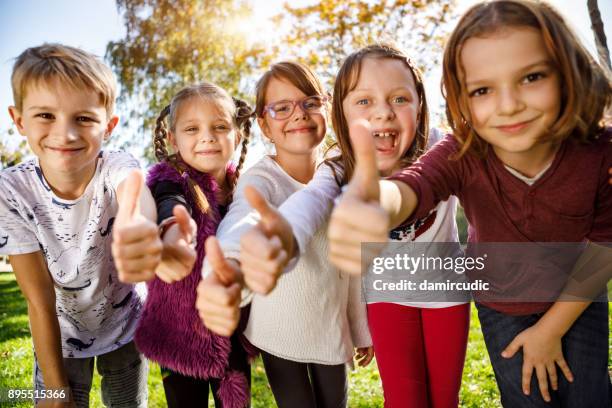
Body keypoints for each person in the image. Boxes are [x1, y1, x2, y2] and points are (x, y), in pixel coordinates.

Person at [328, 1, 612, 407]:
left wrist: (551, 330)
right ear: (462, 98)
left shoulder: (598, 152)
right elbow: (416, 185)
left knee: (589, 397)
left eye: (531, 77)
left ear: (569, 72)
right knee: (526, 398)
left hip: (577, 296)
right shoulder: (463, 151)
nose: (508, 104)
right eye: (482, 89)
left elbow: (604, 242)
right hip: (503, 304)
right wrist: (378, 202)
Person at [197, 61, 373, 408]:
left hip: (330, 329)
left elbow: (350, 266)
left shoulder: (342, 172)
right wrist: (228, 268)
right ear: (264, 124)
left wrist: (359, 327)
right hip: (278, 332)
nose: (299, 115)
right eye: (282, 108)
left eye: (310, 102)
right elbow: (241, 221)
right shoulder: (260, 179)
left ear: (327, 107)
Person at [0, 43, 157, 407]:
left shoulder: (116, 163)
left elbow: (132, 186)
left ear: (109, 126)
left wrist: (137, 222)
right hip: (60, 337)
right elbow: (38, 301)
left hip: (125, 328)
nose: (66, 134)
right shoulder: (11, 191)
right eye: (45, 116)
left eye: (84, 118)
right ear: (19, 120)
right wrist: (55, 389)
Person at [125, 83, 255, 408]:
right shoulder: (170, 179)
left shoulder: (246, 188)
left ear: (236, 135)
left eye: (220, 127)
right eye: (192, 129)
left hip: (233, 331)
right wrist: (172, 232)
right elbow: (169, 203)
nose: (207, 137)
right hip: (178, 332)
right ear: (173, 138)